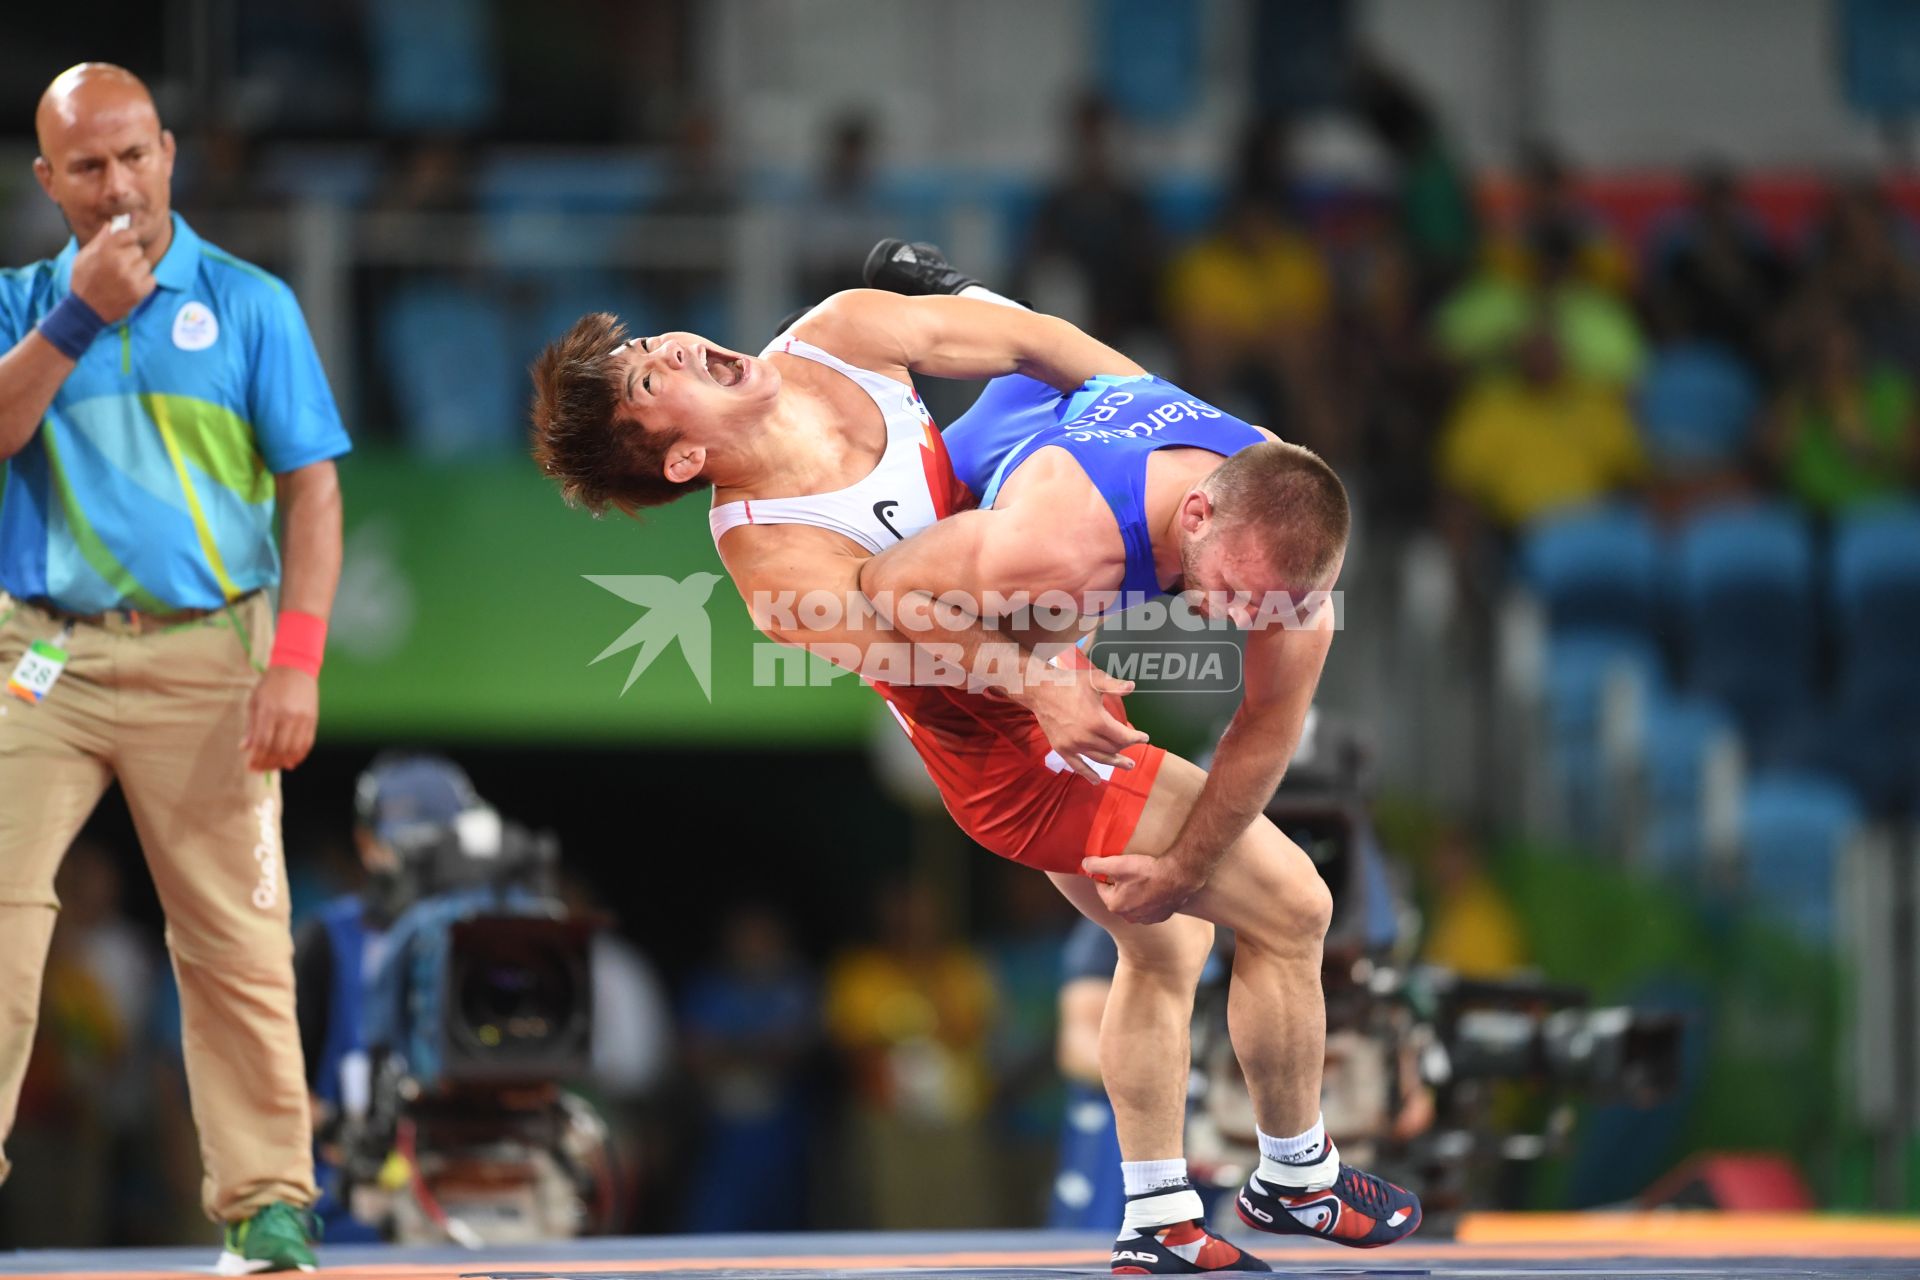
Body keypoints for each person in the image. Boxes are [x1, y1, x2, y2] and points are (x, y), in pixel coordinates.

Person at [529, 244, 1420, 1272]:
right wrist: (1037, 677)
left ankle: (1160, 1219)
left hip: (1018, 569)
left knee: (1166, 949)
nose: (680, 345)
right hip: (1002, 746)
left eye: (655, 341)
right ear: (680, 457)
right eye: (654, 376)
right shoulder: (771, 555)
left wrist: (1141, 404)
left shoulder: (840, 333)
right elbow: (908, 635)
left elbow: (1045, 345)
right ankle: (1296, 1179)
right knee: (1296, 905)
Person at [0, 63, 346, 1273]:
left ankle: (265, 1205)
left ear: (170, 154)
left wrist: (293, 663)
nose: (118, 185)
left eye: (135, 155)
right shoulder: (17, 304)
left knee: (237, 934)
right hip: (41, 653)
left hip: (211, 655)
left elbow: (313, 493)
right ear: (48, 182)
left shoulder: (251, 305)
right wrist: (73, 317)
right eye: (87, 166)